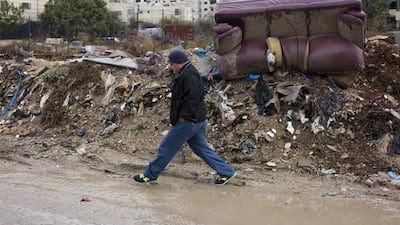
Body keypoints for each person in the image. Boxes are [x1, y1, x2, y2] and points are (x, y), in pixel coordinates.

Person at [133, 49, 236, 185]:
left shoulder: (189, 75)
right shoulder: (188, 73)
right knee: (200, 148)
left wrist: (183, 117)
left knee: (166, 147)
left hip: (189, 122)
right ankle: (227, 172)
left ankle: (150, 174)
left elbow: (192, 99)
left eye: (171, 64)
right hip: (197, 120)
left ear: (178, 63)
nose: (170, 67)